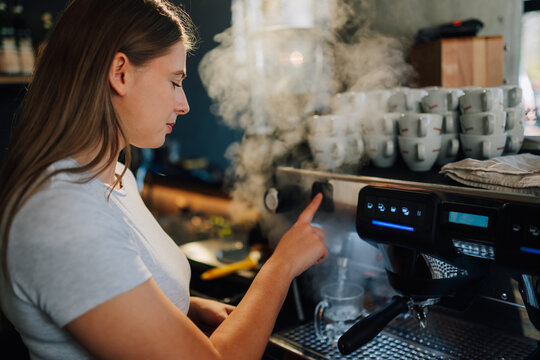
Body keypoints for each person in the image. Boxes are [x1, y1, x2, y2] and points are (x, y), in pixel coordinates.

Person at [0, 0, 328, 359]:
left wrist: (184, 309)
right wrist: (281, 267)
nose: (184, 104)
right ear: (120, 73)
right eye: (174, 82)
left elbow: (117, 287)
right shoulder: (60, 217)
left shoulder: (113, 178)